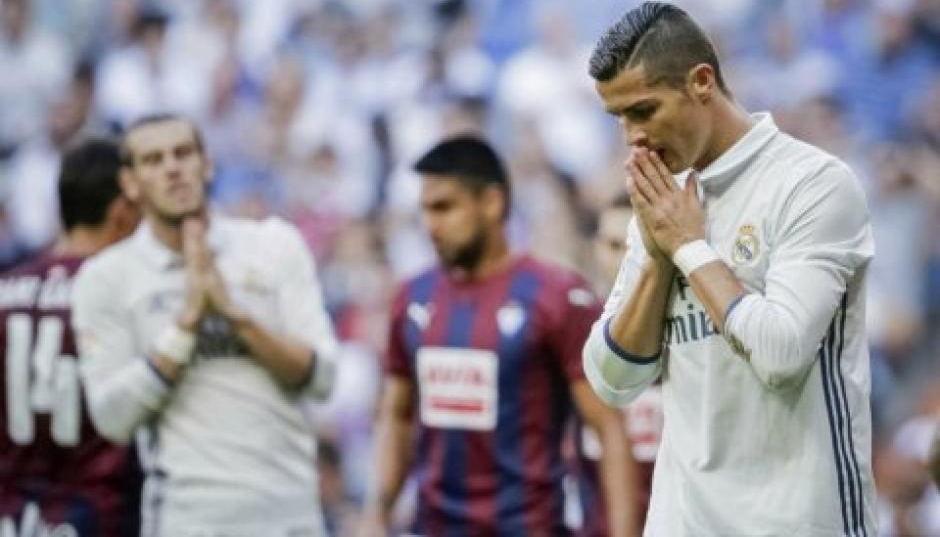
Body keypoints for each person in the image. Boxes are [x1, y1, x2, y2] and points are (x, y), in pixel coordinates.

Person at [581, 2, 876, 536]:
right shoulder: (664, 205)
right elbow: (611, 381)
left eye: (644, 111)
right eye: (618, 118)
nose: (631, 137)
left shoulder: (812, 185)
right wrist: (656, 257)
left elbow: (781, 354)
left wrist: (690, 249)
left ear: (701, 82)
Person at [71, 114, 339, 537]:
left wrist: (235, 314)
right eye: (153, 160)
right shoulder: (106, 278)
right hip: (188, 519)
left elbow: (321, 376)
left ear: (207, 164)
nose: (172, 168)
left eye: (184, 153)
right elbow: (112, 417)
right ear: (130, 183)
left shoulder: (273, 244)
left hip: (290, 514)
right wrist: (186, 324)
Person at [364, 136, 635, 536]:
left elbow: (609, 431)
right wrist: (376, 514)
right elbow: (397, 416)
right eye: (425, 210)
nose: (431, 225)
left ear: (491, 203)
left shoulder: (557, 297)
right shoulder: (412, 297)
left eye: (444, 207)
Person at [0, 138, 142, 536]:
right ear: (122, 213)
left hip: (12, 515)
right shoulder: (121, 298)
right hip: (97, 513)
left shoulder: (6, 289)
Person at [571, 193, 662, 536]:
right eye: (612, 245)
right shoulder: (572, 337)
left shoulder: (691, 341)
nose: (625, 261)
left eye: (634, 246)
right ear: (595, 248)